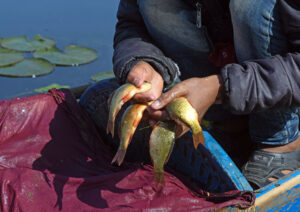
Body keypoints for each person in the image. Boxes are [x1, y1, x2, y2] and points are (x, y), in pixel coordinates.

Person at [80, 0, 300, 190]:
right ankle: (226, 124)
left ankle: (283, 142)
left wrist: (220, 88)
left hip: (286, 101)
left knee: (249, 6)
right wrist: (144, 62)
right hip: (224, 80)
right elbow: (132, 24)